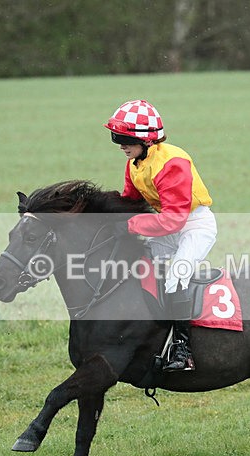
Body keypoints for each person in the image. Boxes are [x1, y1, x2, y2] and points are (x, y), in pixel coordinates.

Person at [105, 99, 217, 371]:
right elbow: (130, 200)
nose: (120, 144)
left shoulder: (172, 163)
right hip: (166, 226)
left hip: (193, 226)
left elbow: (174, 219)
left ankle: (183, 350)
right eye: (115, 138)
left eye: (124, 138)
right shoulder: (135, 163)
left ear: (146, 140)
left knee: (175, 277)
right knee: (142, 268)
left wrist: (131, 226)